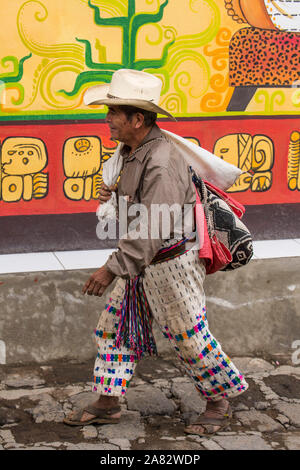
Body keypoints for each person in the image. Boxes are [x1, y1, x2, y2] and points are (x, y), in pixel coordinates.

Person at [63, 69, 248, 435]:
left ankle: (218, 400)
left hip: (170, 265)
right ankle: (108, 402)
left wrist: (111, 269)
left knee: (188, 335)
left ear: (138, 119)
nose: (108, 119)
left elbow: (153, 227)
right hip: (144, 263)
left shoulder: (161, 161)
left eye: (115, 113)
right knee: (114, 329)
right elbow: (140, 206)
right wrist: (114, 196)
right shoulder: (135, 151)